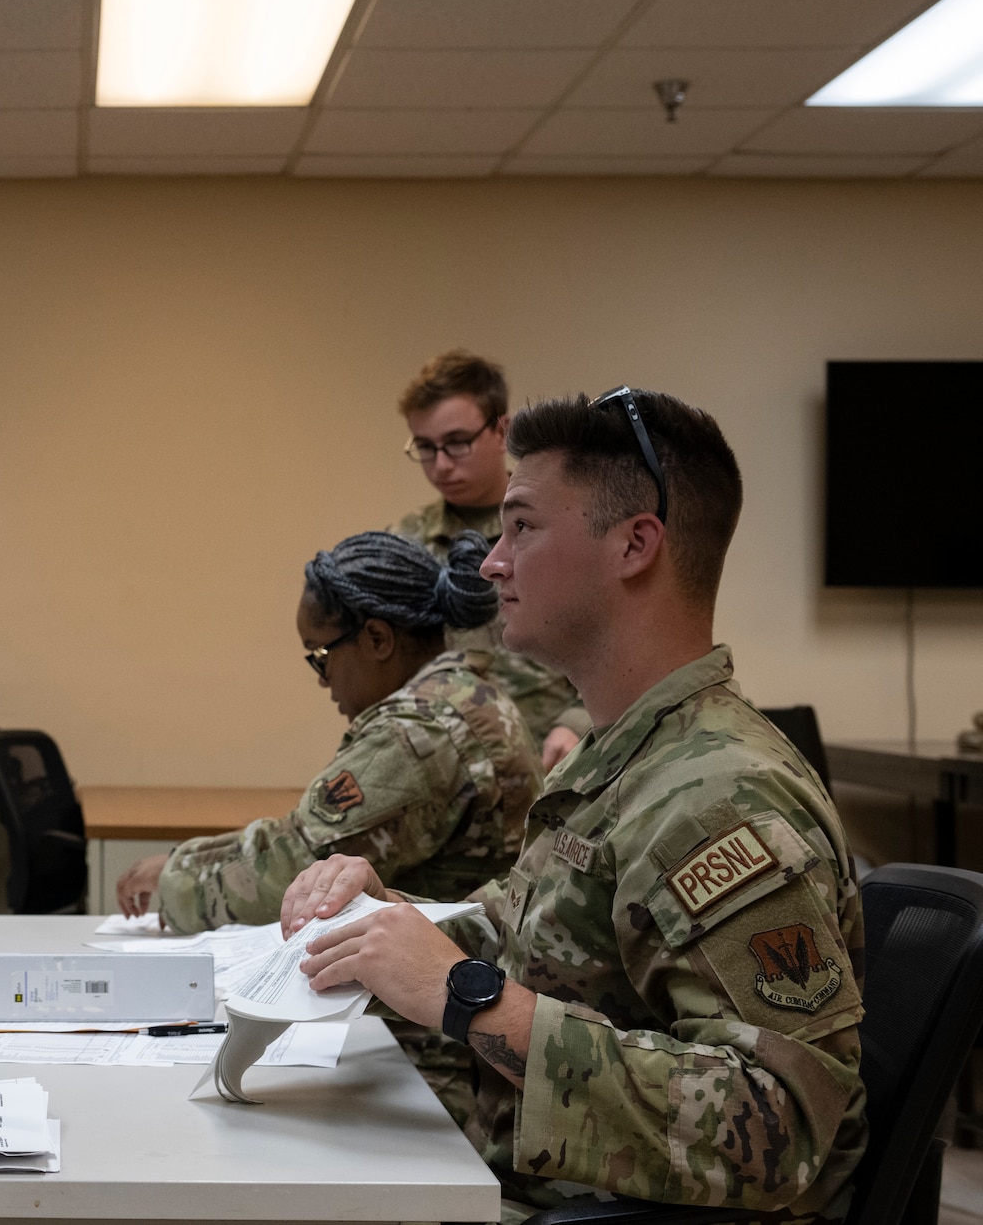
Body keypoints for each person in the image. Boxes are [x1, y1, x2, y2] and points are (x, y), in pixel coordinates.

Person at [282, 389, 865, 1221]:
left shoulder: (721, 796)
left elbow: (781, 1126)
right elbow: (537, 944)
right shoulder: (614, 753)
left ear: (635, 544)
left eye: (522, 526)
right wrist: (383, 920)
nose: (491, 563)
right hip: (517, 1168)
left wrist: (468, 996)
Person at [116, 531, 538, 925]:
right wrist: (184, 859)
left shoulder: (417, 733)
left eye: (320, 654)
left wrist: (176, 886)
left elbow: (293, 873)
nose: (322, 677)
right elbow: (302, 832)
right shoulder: (461, 693)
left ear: (377, 639)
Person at [392, 350, 588, 770]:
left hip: (548, 765)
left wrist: (578, 721)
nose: (441, 465)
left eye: (457, 443)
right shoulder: (404, 545)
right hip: (441, 769)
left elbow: (607, 639)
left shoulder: (559, 526)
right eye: (425, 448)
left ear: (502, 431)